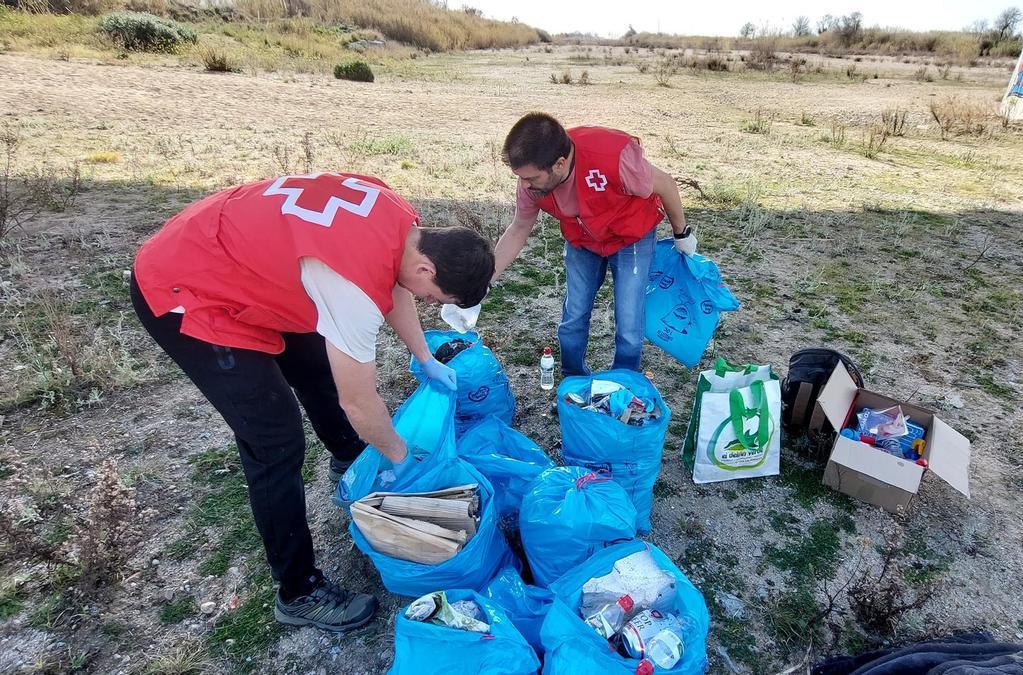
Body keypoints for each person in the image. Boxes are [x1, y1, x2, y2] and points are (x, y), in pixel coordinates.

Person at [129, 172, 493, 632]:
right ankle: (298, 592)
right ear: (428, 269)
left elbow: (398, 288)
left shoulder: (401, 222)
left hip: (241, 256)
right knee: (274, 438)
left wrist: (424, 356)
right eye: (433, 296)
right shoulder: (350, 286)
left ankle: (350, 459)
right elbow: (359, 401)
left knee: (317, 364)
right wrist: (401, 458)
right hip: (188, 285)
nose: (424, 300)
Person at [491, 113, 697, 376]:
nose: (524, 185)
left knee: (629, 323)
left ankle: (623, 385)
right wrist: (485, 281)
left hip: (630, 236)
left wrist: (681, 234)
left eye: (531, 178)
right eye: (521, 178)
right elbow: (519, 228)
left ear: (559, 164)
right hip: (583, 238)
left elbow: (666, 185)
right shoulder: (531, 183)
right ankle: (573, 380)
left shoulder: (613, 159)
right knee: (574, 315)